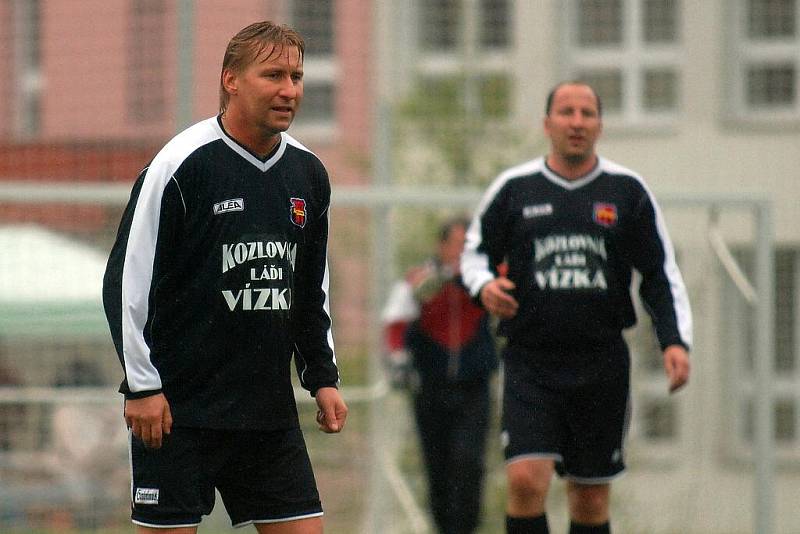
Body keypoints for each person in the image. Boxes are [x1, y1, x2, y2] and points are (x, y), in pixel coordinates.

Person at [102, 21, 347, 534]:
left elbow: (309, 291)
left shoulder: (308, 173)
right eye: (273, 75)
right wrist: (142, 387)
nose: (289, 90)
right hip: (177, 413)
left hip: (267, 415)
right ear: (230, 79)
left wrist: (322, 377)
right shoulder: (179, 165)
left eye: (297, 77)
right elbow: (126, 282)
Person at [460, 81, 692, 534]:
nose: (577, 122)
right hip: (531, 361)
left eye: (587, 113)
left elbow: (660, 272)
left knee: (589, 496)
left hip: (601, 363)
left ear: (600, 126)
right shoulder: (515, 189)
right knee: (526, 480)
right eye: (566, 112)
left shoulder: (627, 192)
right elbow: (473, 253)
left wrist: (674, 341)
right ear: (547, 124)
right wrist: (484, 286)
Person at [381, 217, 498, 534]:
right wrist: (399, 360)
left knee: (469, 463)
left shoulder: (484, 281)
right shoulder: (420, 281)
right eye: (457, 245)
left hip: (473, 386)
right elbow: (395, 323)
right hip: (431, 388)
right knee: (438, 466)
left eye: (468, 246)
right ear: (442, 246)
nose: (461, 253)